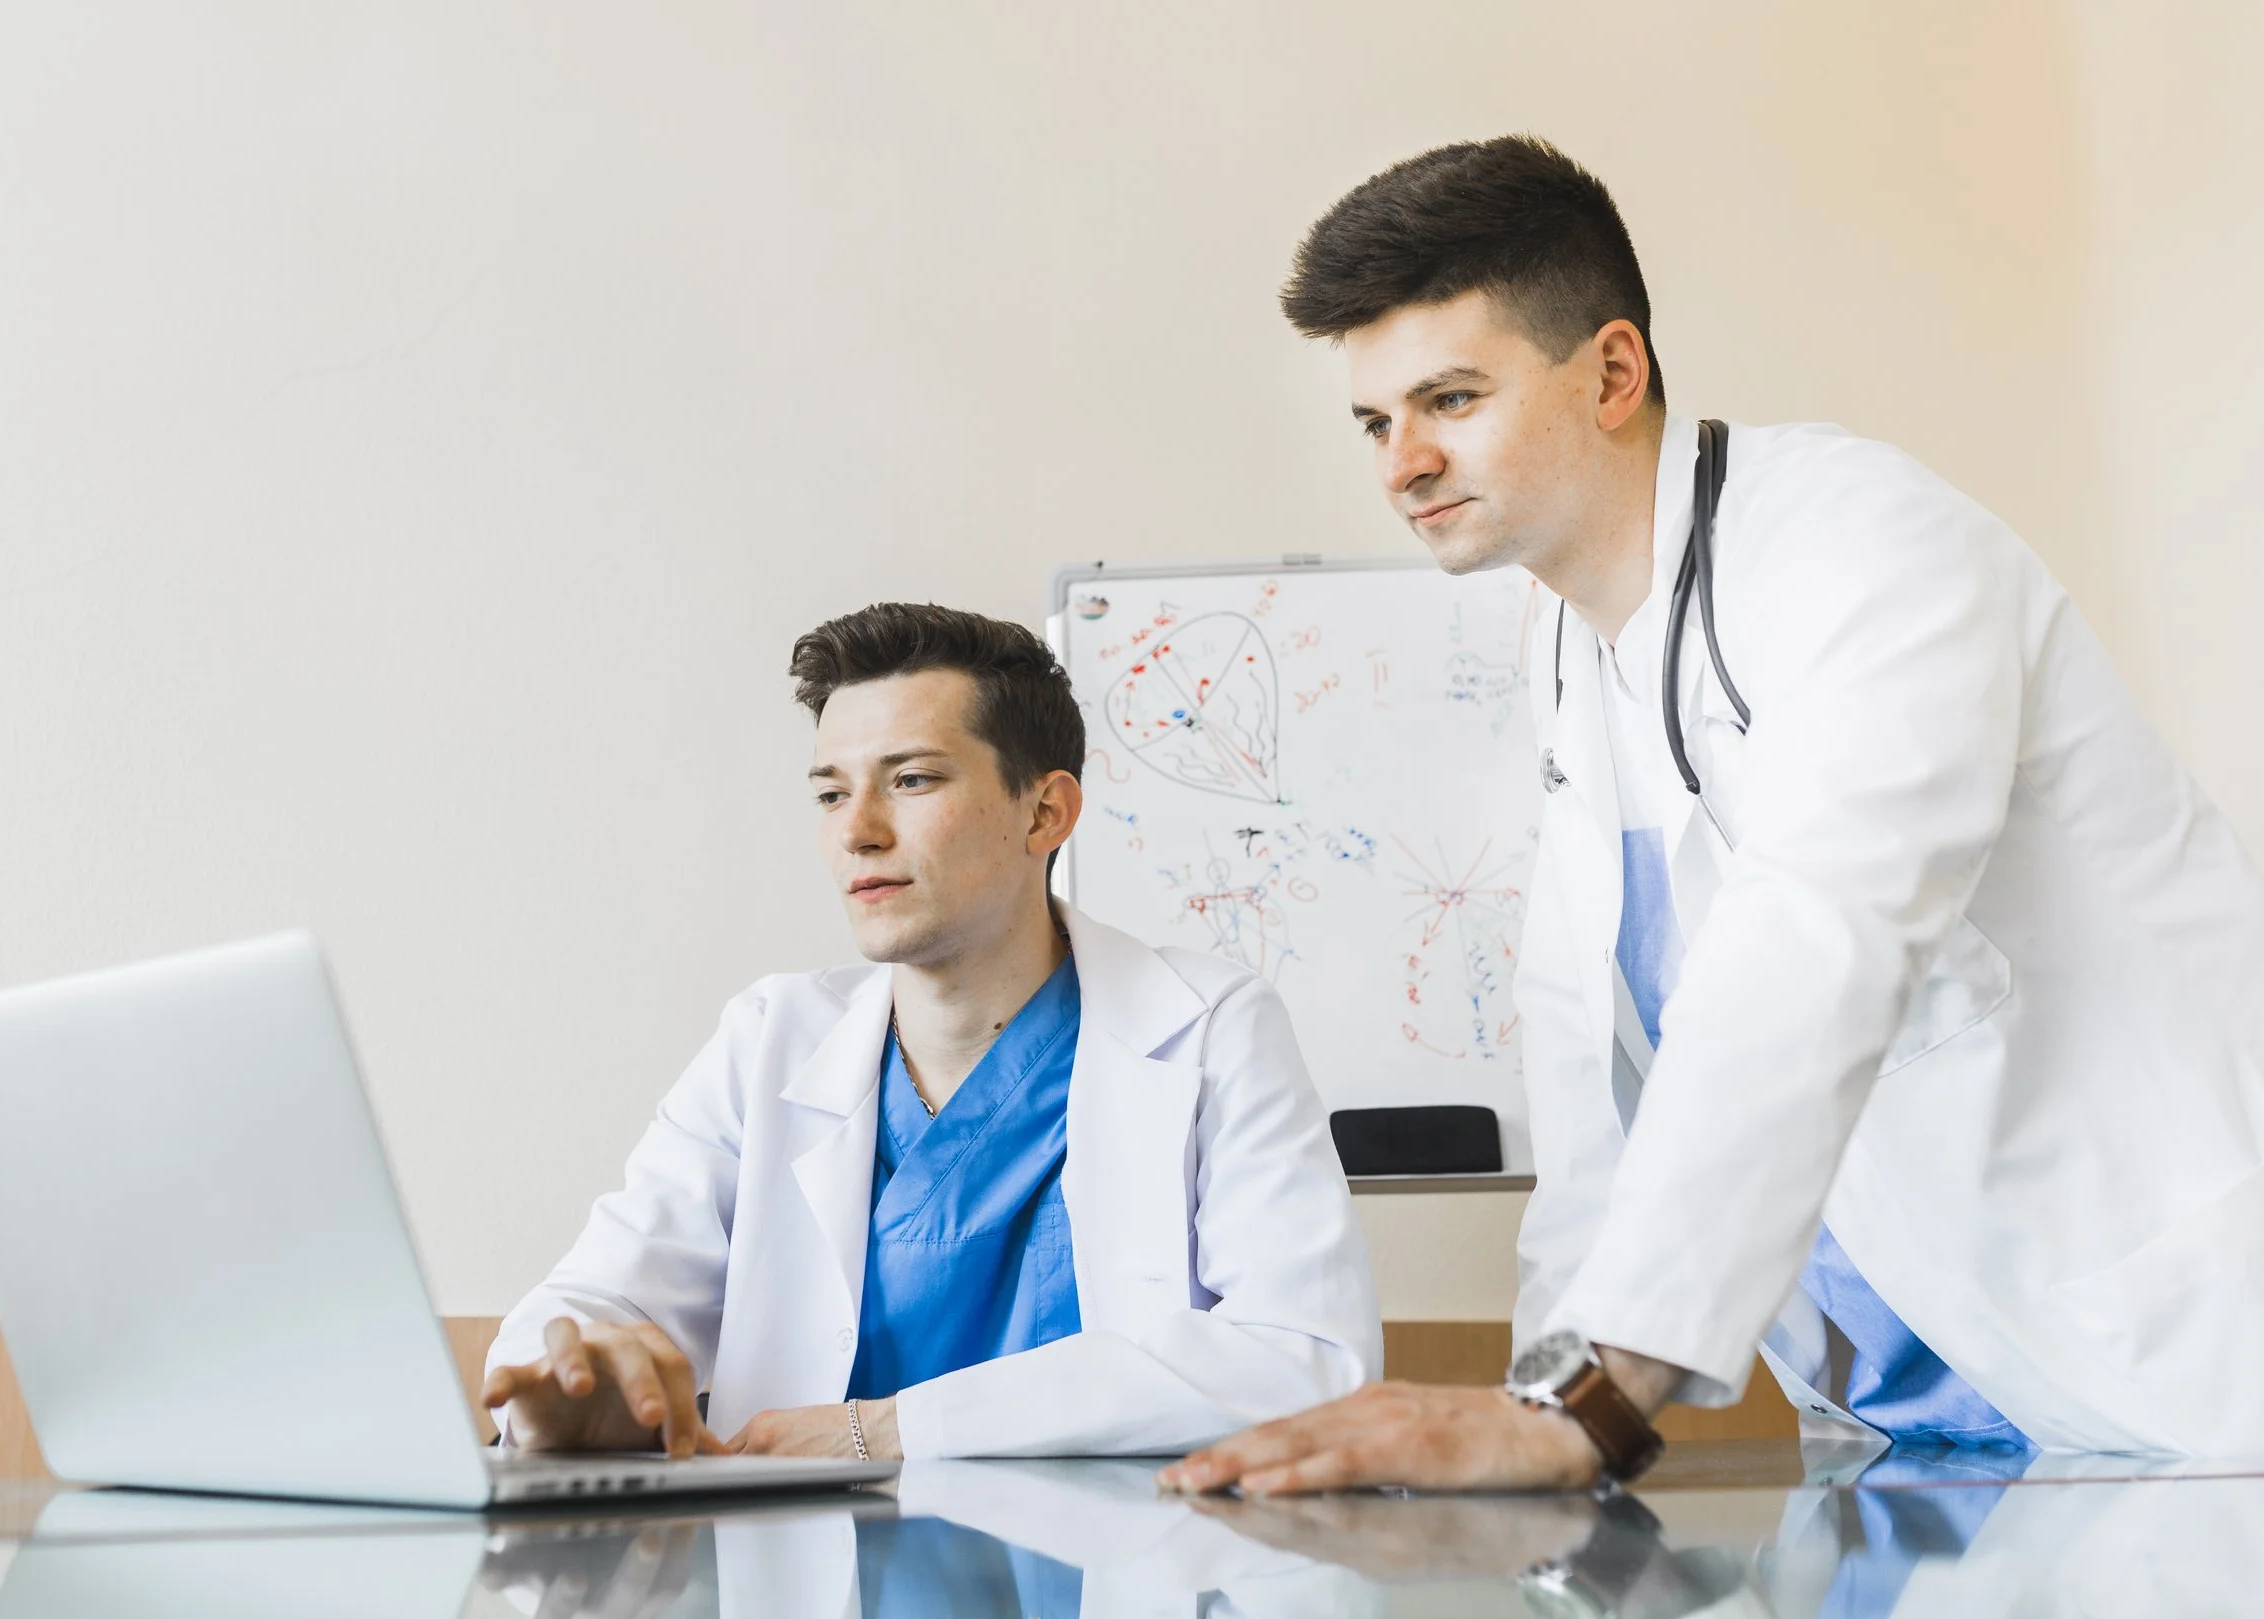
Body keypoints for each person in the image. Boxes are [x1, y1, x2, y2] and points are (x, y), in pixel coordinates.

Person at [1164, 136, 2264, 1497]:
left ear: (1612, 372)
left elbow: (1818, 936)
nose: (1404, 462)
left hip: (2155, 1378)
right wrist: (1534, 1408)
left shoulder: (1864, 544)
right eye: (1376, 421)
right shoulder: (1567, 646)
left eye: (1451, 396)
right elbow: (1585, 1070)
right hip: (1909, 1434)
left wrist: (1598, 1397)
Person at [484, 602, 1379, 1460]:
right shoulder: (769, 1039)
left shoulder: (1210, 1028)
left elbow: (1309, 1362)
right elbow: (603, 1291)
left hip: (1115, 1590)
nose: (859, 833)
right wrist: (567, 1373)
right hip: (811, 1593)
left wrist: (895, 1426)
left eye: (911, 779)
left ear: (1045, 812)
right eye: (831, 794)